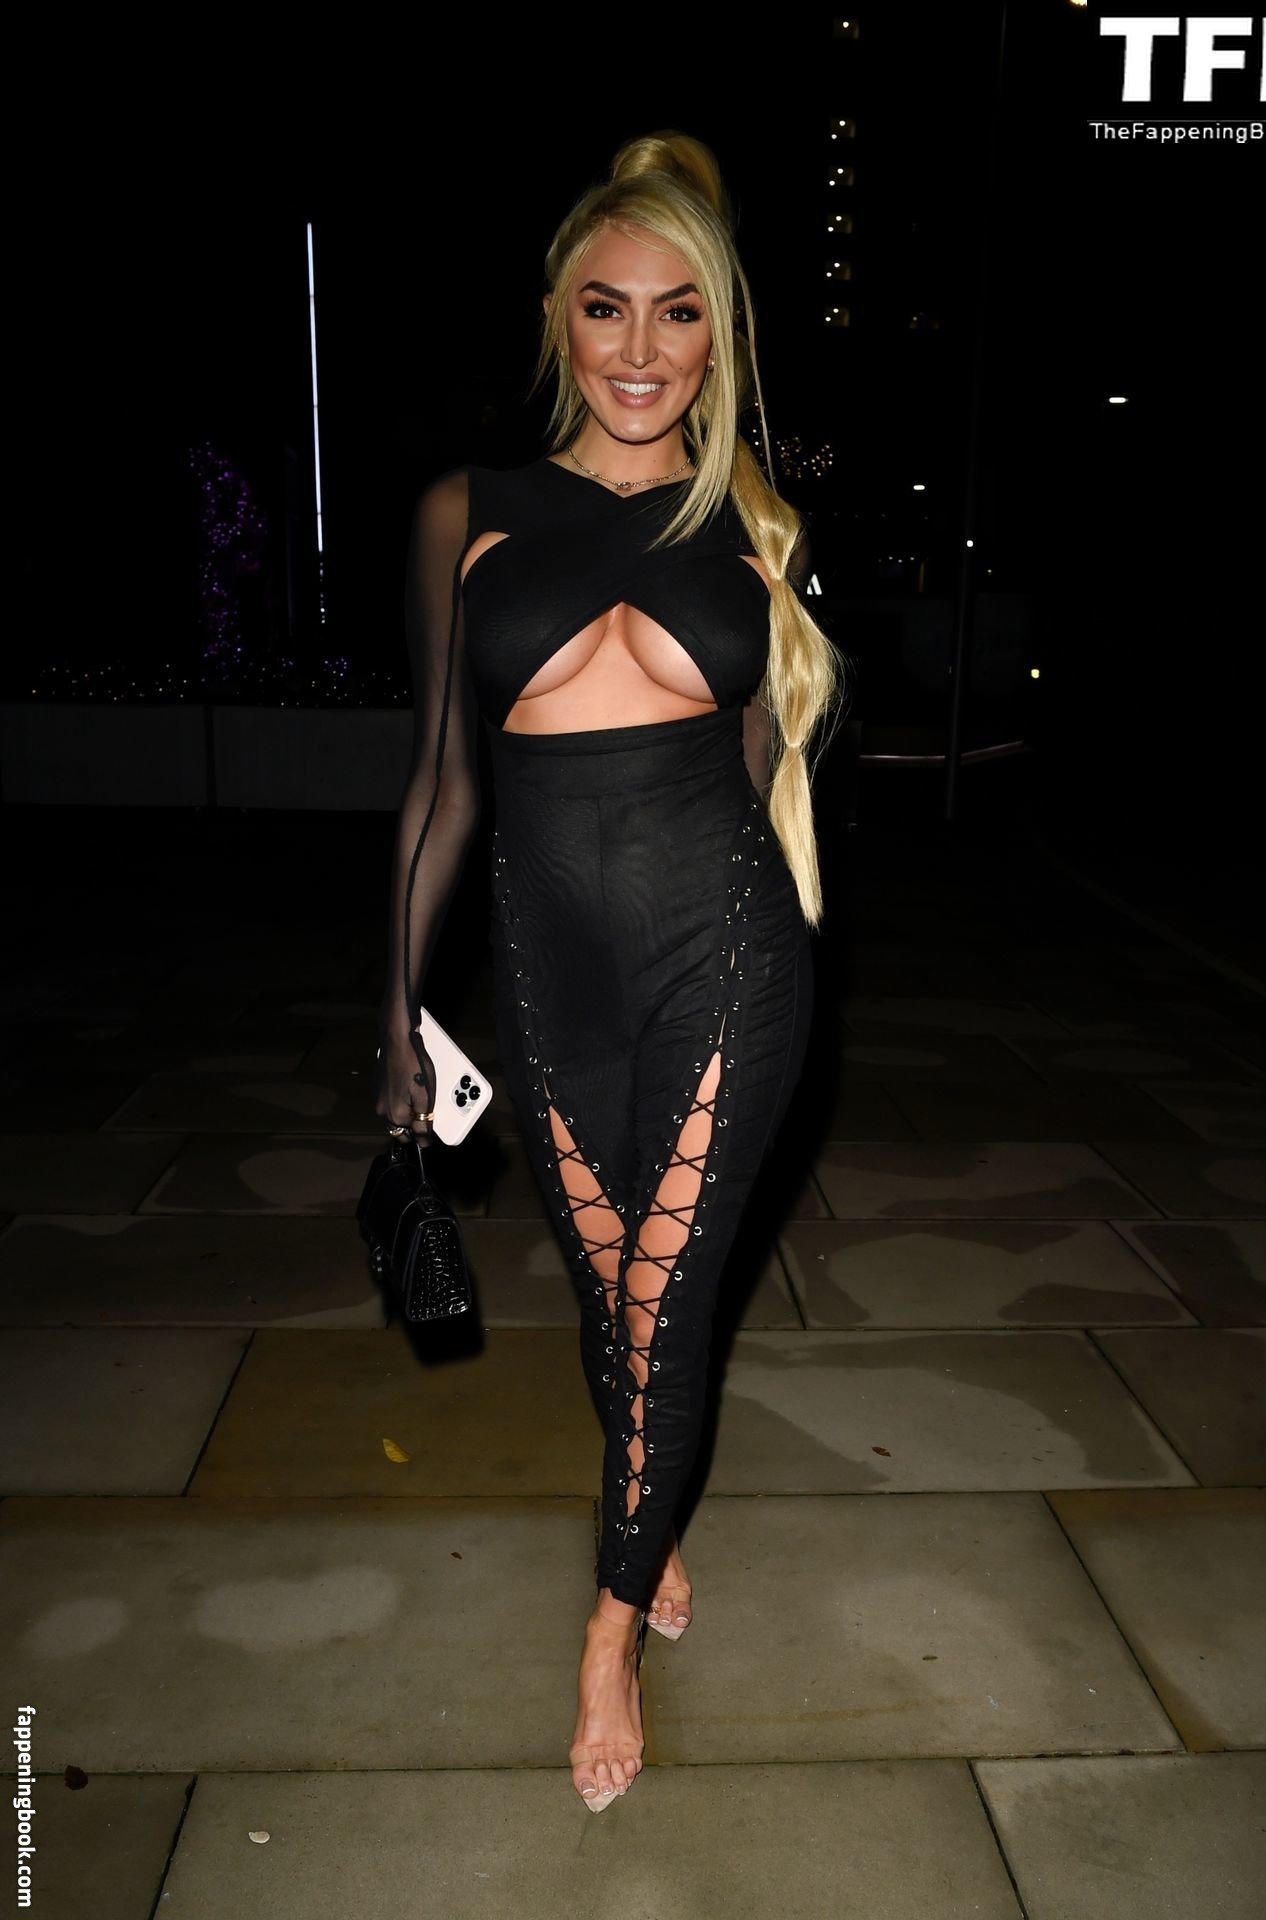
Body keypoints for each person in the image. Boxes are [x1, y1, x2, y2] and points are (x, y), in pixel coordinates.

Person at [374, 128, 846, 1811]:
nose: (640, 349)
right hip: (545, 965)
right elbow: (440, 789)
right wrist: (393, 1022)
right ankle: (652, 1507)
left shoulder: (755, 530)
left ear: (720, 335)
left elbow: (760, 772)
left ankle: (608, 1624)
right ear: (556, 320)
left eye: (679, 312)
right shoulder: (468, 515)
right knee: (605, 1298)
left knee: (665, 1295)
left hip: (727, 956)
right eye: (604, 307)